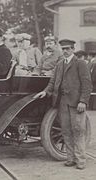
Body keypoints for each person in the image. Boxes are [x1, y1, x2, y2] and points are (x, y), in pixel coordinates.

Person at [34, 39, 92, 170]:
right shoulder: (60, 64)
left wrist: (83, 101)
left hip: (76, 103)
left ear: (72, 49)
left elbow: (87, 84)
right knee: (66, 131)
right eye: (63, 49)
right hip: (62, 103)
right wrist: (45, 92)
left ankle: (81, 159)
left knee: (78, 131)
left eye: (68, 49)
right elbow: (53, 82)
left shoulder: (80, 63)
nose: (65, 51)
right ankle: (70, 158)